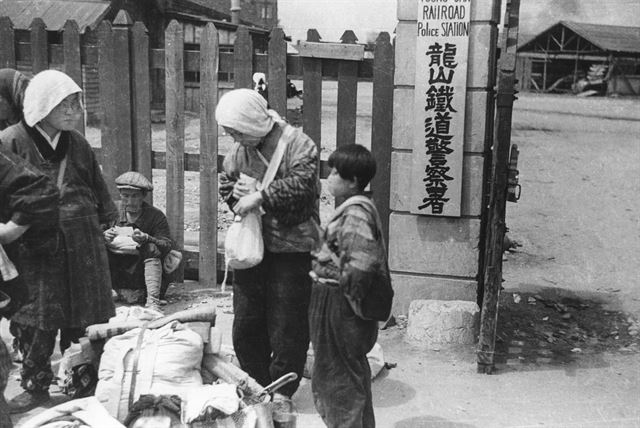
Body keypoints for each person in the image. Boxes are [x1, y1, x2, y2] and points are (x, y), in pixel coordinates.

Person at [0, 69, 117, 413]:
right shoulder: (11, 140)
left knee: (83, 312)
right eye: (64, 104)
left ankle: (80, 380)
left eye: (76, 103)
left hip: (82, 240)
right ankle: (36, 386)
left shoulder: (78, 143)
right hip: (36, 243)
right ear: (41, 104)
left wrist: (107, 218)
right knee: (36, 316)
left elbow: (96, 186)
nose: (73, 111)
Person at [216, 88, 320, 406]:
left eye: (235, 130)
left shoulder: (298, 144)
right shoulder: (239, 150)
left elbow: (303, 188)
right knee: (247, 319)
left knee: (287, 322)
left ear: (251, 122)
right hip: (252, 248)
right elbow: (225, 182)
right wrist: (238, 197)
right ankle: (254, 382)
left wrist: (260, 195)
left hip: (291, 247)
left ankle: (281, 390)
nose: (231, 136)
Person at [309, 144, 391, 428]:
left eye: (335, 172)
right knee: (346, 376)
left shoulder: (355, 212)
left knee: (338, 381)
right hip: (338, 301)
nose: (329, 177)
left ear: (353, 180)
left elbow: (361, 265)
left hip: (339, 304)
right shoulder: (356, 208)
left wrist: (345, 301)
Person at [0, 147, 60, 427]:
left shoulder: (10, 145)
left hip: (35, 248)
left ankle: (36, 385)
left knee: (35, 317)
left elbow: (41, 190)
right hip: (20, 253)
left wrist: (10, 229)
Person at [104, 171, 174, 312]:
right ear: (120, 194)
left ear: (143, 196)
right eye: (125, 196)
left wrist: (148, 238)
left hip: (141, 274)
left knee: (152, 248)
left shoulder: (155, 216)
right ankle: (105, 293)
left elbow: (166, 244)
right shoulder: (111, 211)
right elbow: (92, 237)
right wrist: (103, 236)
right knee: (97, 248)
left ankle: (153, 300)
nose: (130, 201)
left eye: (135, 196)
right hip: (118, 272)